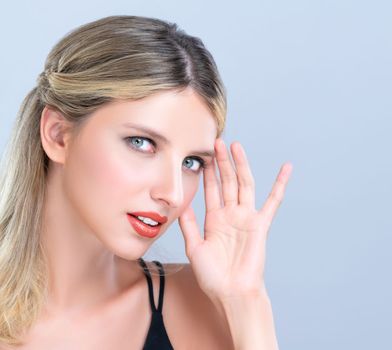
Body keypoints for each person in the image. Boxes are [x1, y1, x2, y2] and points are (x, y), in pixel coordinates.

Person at [0, 15, 292, 349]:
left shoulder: (198, 308)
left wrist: (247, 303)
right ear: (58, 135)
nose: (172, 193)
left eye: (191, 162)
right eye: (142, 143)